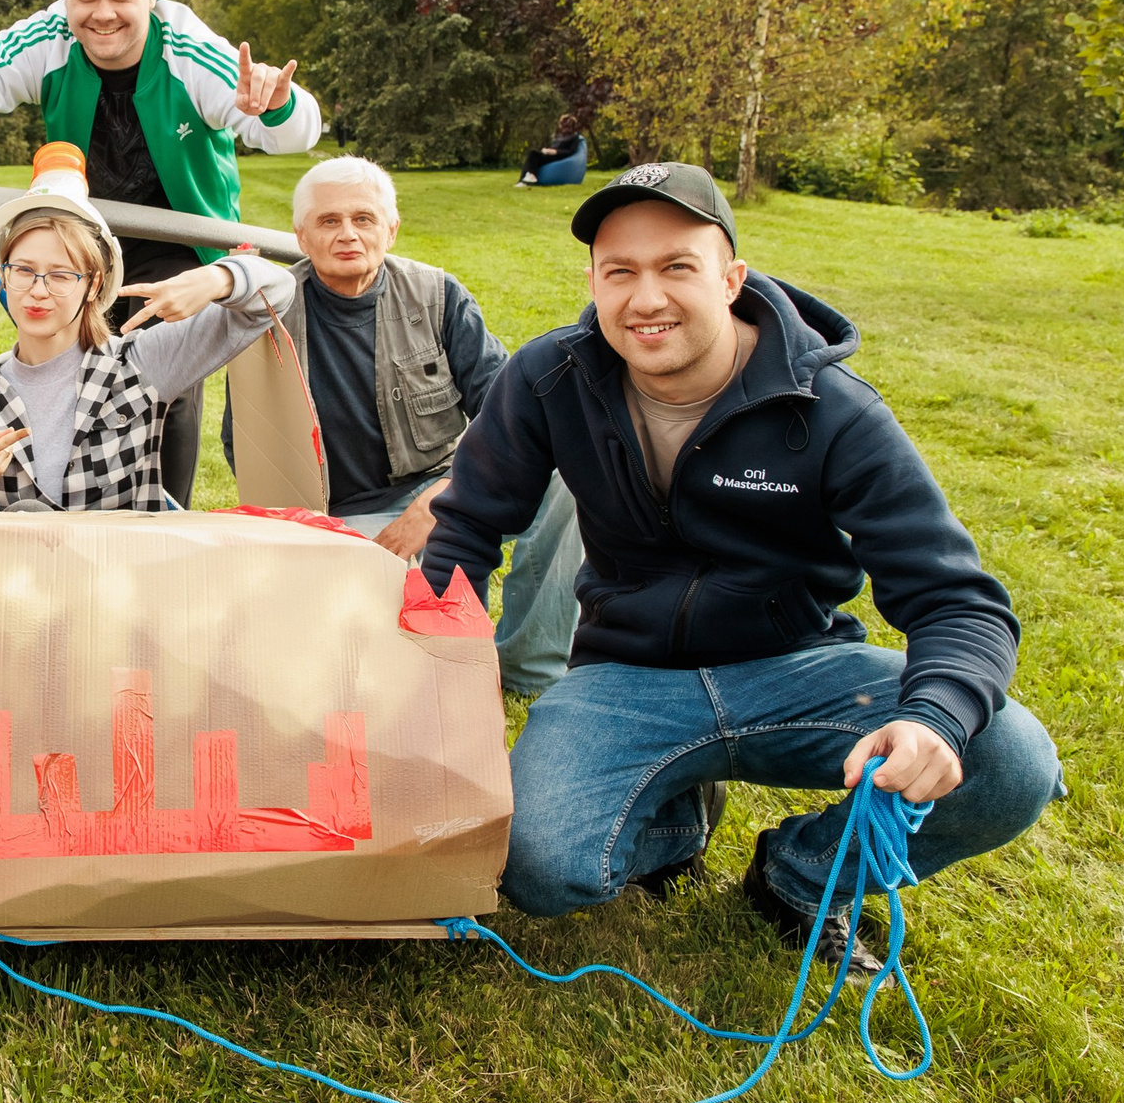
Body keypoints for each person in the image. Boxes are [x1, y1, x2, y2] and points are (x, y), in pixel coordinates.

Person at [425, 162, 1060, 969]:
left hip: (798, 668)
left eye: (676, 267)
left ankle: (800, 875)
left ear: (732, 278)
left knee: (1012, 761)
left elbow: (958, 600)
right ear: (593, 280)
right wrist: (438, 664)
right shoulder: (551, 378)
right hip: (627, 676)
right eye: (620, 272)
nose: (645, 298)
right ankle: (675, 821)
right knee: (539, 868)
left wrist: (935, 719)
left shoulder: (834, 411)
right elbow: (469, 526)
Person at [0, 0, 318, 506]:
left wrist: (274, 108)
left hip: (179, 241)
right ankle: (65, 501)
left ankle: (160, 517)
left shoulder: (192, 51)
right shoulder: (49, 37)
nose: (102, 13)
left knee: (164, 387)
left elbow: (293, 126)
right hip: (83, 241)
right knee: (75, 369)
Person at [253, 155, 582, 695]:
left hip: (450, 490)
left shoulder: (438, 295)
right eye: (328, 221)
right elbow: (250, 449)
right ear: (301, 235)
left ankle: (528, 668)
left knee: (567, 476)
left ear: (391, 228)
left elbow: (513, 420)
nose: (348, 235)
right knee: (396, 651)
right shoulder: (269, 313)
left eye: (364, 219)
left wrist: (443, 498)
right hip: (340, 520)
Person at [0, 145, 292, 512]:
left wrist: (215, 278)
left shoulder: (138, 365)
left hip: (127, 568)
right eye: (24, 270)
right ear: (4, 272)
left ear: (93, 285)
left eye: (61, 275)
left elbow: (278, 292)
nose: (38, 291)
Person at [518, 114, 588, 186]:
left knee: (533, 154)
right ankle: (524, 179)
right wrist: (548, 150)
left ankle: (530, 178)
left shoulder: (574, 137)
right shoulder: (560, 135)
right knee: (533, 155)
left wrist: (555, 152)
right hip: (553, 155)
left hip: (560, 157)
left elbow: (570, 151)